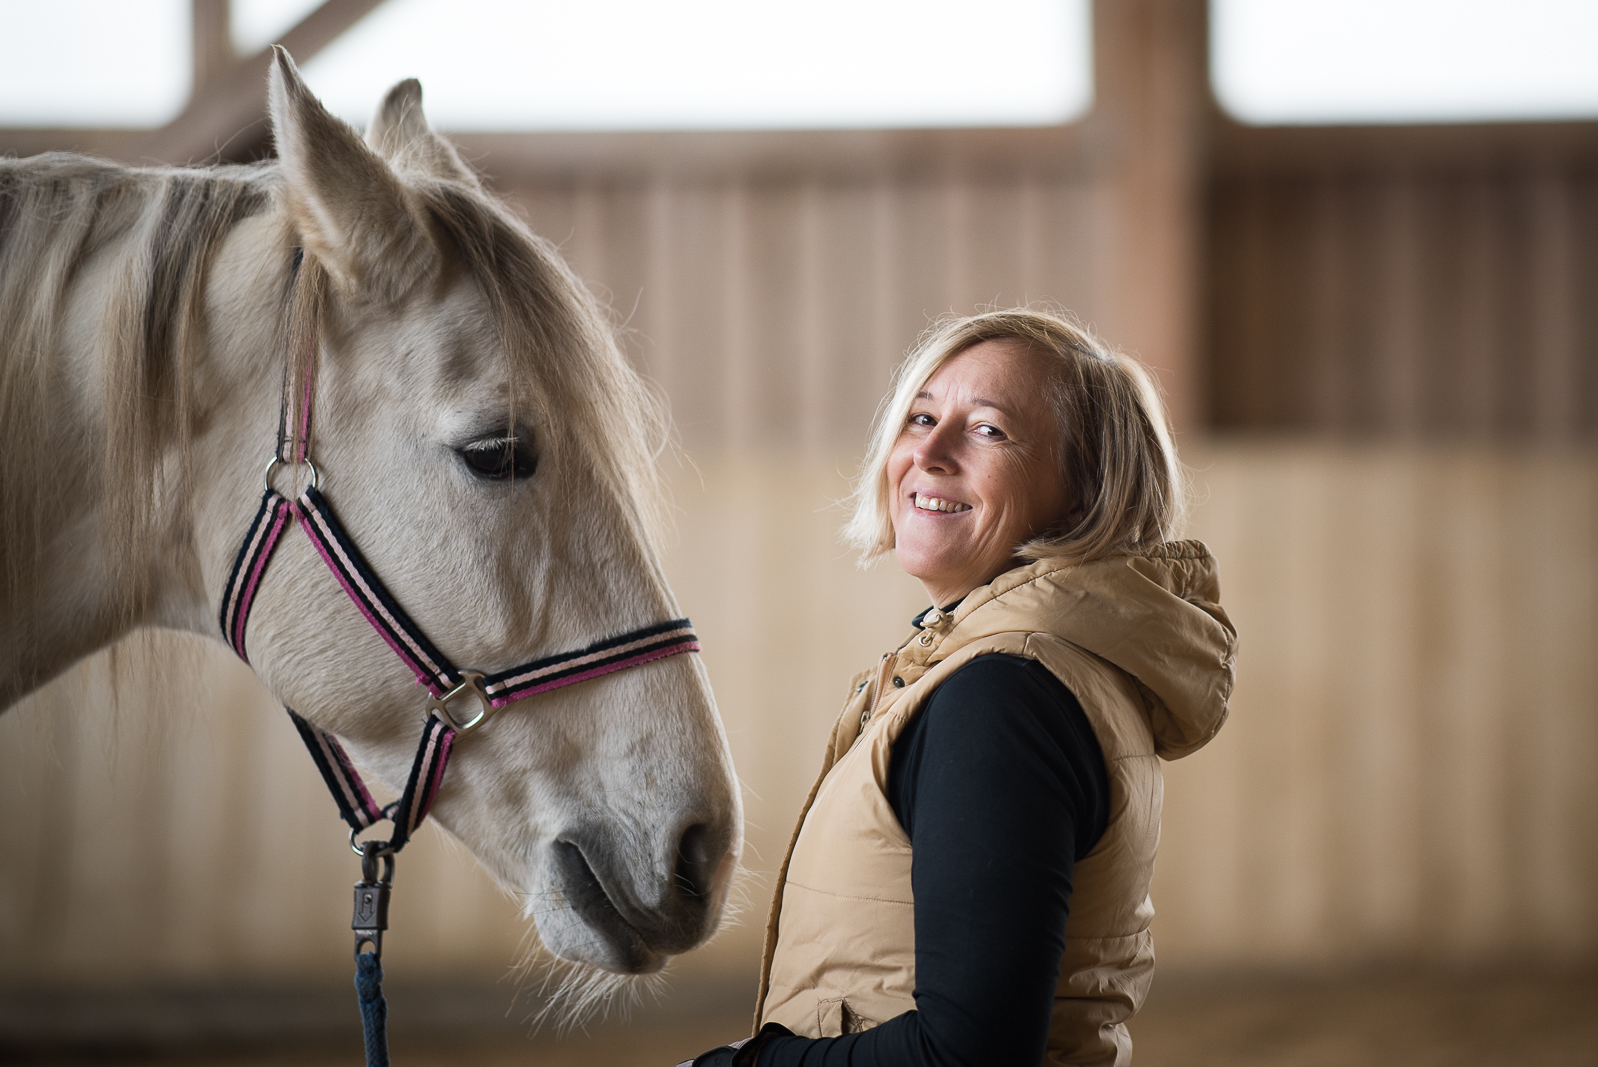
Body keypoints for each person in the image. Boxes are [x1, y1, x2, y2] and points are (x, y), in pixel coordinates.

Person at [683, 309, 1236, 1067]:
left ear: (1085, 494)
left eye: (988, 430)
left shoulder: (1004, 699)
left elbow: (968, 1055)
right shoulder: (1020, 671)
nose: (928, 453)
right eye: (920, 416)